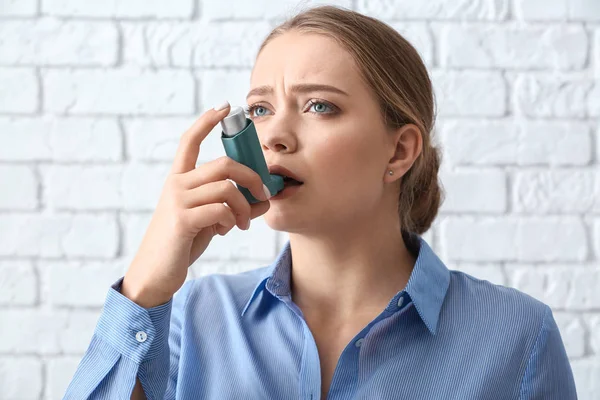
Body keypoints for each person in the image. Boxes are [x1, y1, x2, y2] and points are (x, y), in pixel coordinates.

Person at [63, 5, 577, 400]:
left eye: (319, 106)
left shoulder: (517, 336)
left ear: (399, 150)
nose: (275, 136)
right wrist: (144, 289)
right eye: (260, 108)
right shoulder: (190, 319)